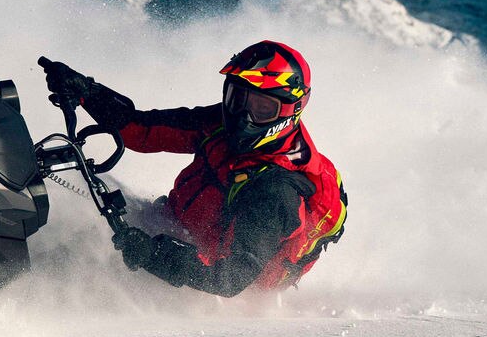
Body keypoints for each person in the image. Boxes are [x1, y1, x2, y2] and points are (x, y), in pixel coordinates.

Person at [40, 41, 347, 297]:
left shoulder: (278, 190)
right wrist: (86, 91)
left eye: (263, 108)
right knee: (78, 234)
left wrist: (154, 255)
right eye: (237, 98)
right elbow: (142, 130)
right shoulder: (222, 123)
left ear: (292, 109)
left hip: (205, 281)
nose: (244, 116)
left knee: (88, 266)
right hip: (174, 231)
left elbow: (230, 280)